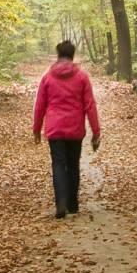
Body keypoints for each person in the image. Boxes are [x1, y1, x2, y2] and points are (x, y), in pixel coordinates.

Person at [32, 39, 101, 217]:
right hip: (75, 128)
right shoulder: (82, 76)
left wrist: (36, 129)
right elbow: (90, 105)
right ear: (72, 55)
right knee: (73, 164)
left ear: (58, 54)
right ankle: (72, 204)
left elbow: (39, 105)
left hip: (55, 129)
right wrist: (96, 132)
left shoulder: (47, 77)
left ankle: (60, 202)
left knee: (58, 164)